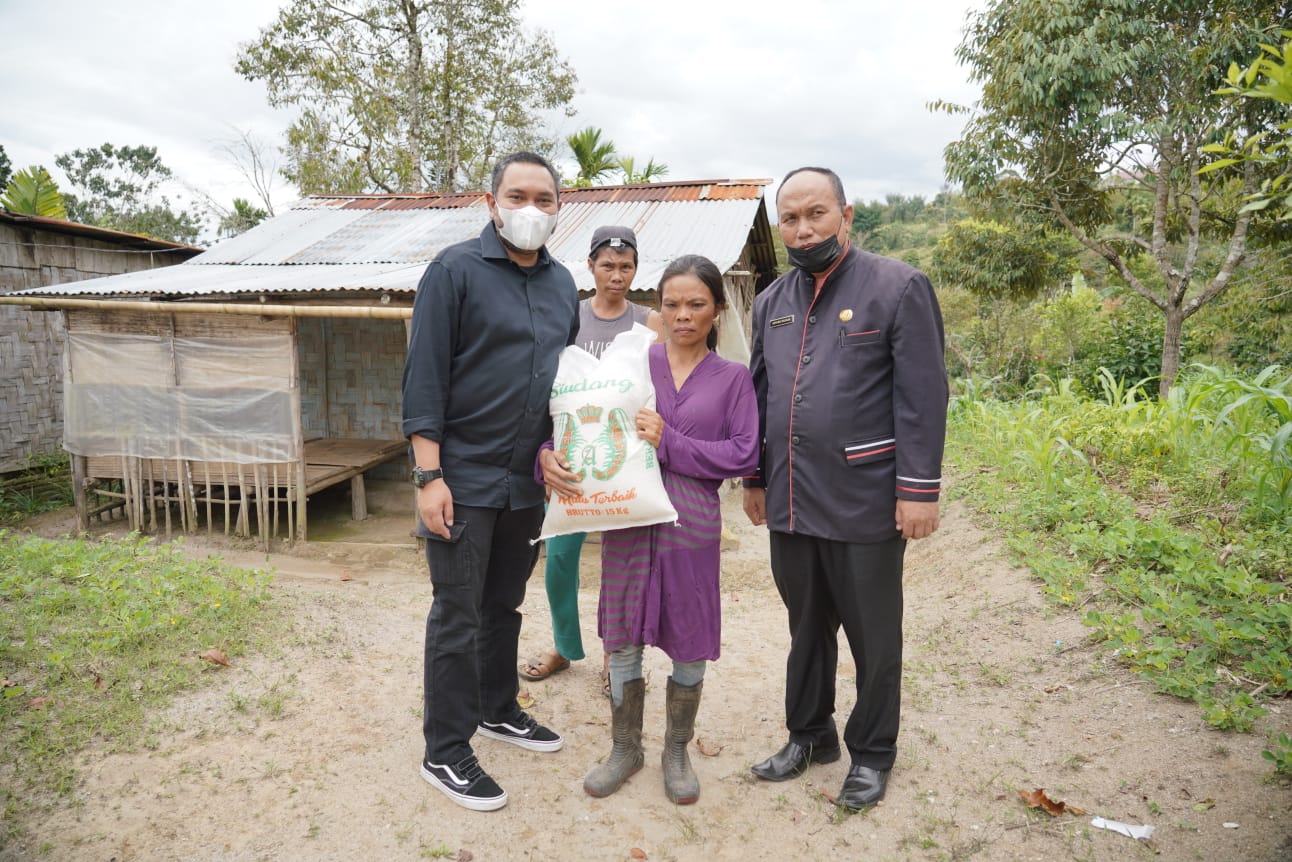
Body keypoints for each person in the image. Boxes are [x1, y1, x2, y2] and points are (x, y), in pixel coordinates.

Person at [743, 166, 948, 811]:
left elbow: (923, 397)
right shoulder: (771, 301)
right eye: (791, 219)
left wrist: (918, 489)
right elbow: (760, 394)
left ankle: (873, 753)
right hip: (791, 498)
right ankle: (809, 736)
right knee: (806, 625)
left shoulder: (898, 287)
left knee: (873, 633)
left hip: (866, 499)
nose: (803, 230)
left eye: (816, 215)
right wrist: (754, 477)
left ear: (846, 215)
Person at [540, 255, 759, 804]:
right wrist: (547, 454)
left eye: (696, 304)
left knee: (689, 644)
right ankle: (625, 748)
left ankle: (675, 751)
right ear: (657, 308)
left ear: (717, 309)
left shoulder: (732, 378)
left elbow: (742, 452)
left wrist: (671, 442)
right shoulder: (637, 360)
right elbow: (578, 413)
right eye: (671, 304)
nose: (682, 315)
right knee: (623, 640)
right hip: (629, 526)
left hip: (692, 526)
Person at [401, 151, 578, 813]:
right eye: (517, 195)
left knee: (504, 606)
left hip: (525, 483)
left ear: (560, 207)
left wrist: (560, 450)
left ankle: (498, 707)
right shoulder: (455, 271)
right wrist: (429, 475)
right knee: (457, 614)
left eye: (543, 198)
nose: (529, 208)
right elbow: (424, 379)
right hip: (463, 478)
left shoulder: (564, 284)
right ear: (491, 202)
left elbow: (562, 385)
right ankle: (445, 750)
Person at [518, 225, 663, 689]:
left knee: (620, 565)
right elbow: (543, 390)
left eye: (626, 267)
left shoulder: (649, 322)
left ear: (636, 269)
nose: (616, 275)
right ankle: (565, 645)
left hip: (627, 462)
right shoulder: (568, 316)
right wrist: (545, 451)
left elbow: (663, 390)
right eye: (608, 266)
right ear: (591, 266)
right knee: (560, 558)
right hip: (573, 461)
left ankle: (613, 655)